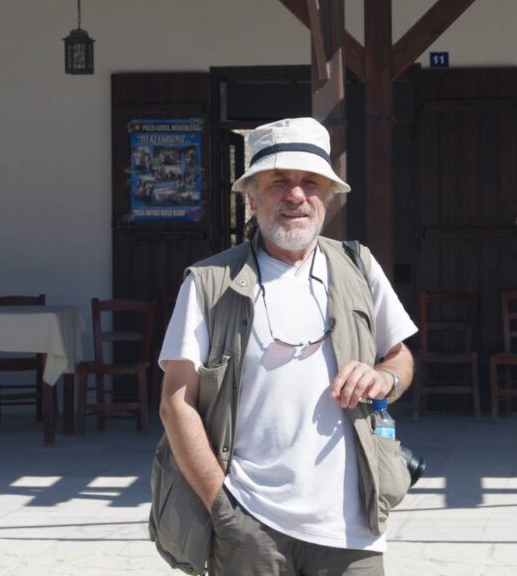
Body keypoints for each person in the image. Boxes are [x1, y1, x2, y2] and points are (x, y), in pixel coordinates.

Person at [156, 117, 417, 576]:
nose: (296, 195)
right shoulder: (208, 283)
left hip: (352, 527)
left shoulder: (359, 267)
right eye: (279, 181)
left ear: (326, 198)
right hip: (250, 526)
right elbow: (176, 403)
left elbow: (400, 357)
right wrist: (222, 507)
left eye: (310, 182)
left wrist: (384, 378)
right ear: (252, 198)